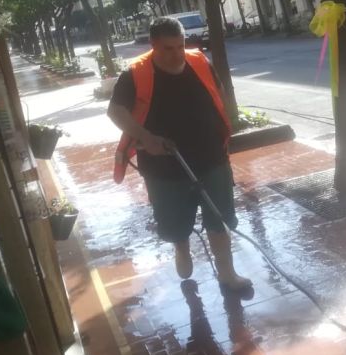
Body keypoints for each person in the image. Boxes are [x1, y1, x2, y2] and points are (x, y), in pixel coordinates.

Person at [107, 17, 251, 293]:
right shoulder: (136, 74)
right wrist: (146, 138)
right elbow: (115, 112)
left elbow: (217, 93)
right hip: (163, 166)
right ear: (153, 46)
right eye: (168, 49)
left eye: (180, 46)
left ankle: (227, 274)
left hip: (211, 157)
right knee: (175, 222)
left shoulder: (199, 62)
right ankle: (181, 248)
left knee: (219, 218)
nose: (176, 54)